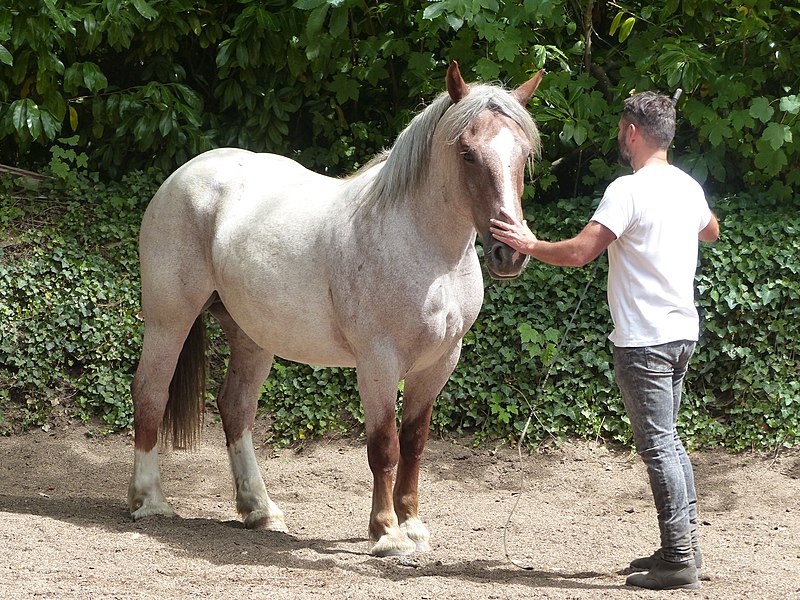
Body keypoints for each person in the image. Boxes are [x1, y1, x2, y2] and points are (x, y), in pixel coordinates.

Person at [489, 91, 720, 591]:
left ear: (632, 132)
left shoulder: (627, 190)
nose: (619, 135)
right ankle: (683, 546)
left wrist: (528, 243)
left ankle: (679, 559)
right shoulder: (687, 187)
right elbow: (711, 232)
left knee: (659, 446)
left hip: (644, 340)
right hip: (682, 333)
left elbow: (579, 253)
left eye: (621, 128)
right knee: (670, 442)